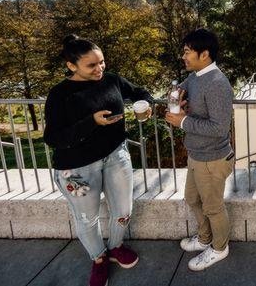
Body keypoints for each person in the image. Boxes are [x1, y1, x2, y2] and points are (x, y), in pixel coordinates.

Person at [44, 34, 155, 286]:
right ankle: (98, 258)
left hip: (116, 155)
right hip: (77, 169)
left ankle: (115, 246)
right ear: (71, 66)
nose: (100, 69)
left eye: (102, 62)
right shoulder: (60, 95)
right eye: (91, 65)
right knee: (87, 218)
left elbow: (139, 91)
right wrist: (91, 122)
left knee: (124, 209)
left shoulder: (112, 80)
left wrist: (146, 104)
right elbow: (53, 137)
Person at [164, 28, 235, 272]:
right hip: (196, 155)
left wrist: (182, 121)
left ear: (204, 54)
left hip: (213, 159)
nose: (183, 56)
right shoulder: (195, 76)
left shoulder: (216, 83)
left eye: (187, 52)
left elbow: (219, 128)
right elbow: (178, 92)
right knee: (192, 199)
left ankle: (219, 248)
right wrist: (175, 99)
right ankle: (205, 238)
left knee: (213, 207)